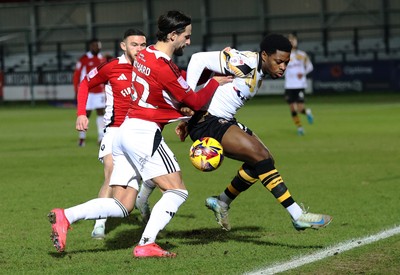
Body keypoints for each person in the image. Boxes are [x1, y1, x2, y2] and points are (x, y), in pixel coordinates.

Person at [48, 10, 232, 257]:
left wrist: (209, 75)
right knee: (177, 191)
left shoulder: (144, 56)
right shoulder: (162, 66)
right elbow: (195, 100)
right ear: (173, 35)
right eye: (186, 37)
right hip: (144, 134)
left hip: (124, 133)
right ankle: (146, 243)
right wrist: (215, 82)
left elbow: (176, 87)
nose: (188, 42)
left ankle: (66, 216)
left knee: (123, 204)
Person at [136, 34, 332, 233]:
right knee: (260, 157)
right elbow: (198, 59)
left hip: (221, 120)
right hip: (208, 121)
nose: (283, 67)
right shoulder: (245, 62)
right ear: (264, 55)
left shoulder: (258, 71)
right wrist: (189, 101)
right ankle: (298, 215)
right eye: (279, 61)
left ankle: (221, 201)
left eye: (286, 63)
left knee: (265, 161)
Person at [75, 28, 147, 239]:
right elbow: (85, 83)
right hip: (115, 130)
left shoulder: (149, 67)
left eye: (143, 45)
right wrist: (81, 113)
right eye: (134, 44)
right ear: (123, 46)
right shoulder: (111, 67)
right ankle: (100, 223)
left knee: (148, 176)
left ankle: (143, 200)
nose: (139, 49)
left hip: (142, 132)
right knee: (111, 174)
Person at [73, 38, 106, 146]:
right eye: (94, 45)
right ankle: (82, 138)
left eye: (98, 45)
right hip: (88, 92)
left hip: (100, 92)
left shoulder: (103, 59)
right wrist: (76, 91)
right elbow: (77, 76)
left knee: (101, 113)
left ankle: (101, 137)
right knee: (86, 114)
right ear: (90, 46)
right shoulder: (84, 59)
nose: (96, 47)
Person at [284, 33, 314, 136]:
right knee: (293, 108)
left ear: (297, 42)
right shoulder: (284, 56)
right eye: (290, 40)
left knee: (300, 109)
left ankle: (308, 112)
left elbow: (310, 67)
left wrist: (303, 73)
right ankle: (300, 128)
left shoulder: (302, 55)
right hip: (289, 85)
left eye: (294, 40)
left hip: (300, 85)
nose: (292, 42)